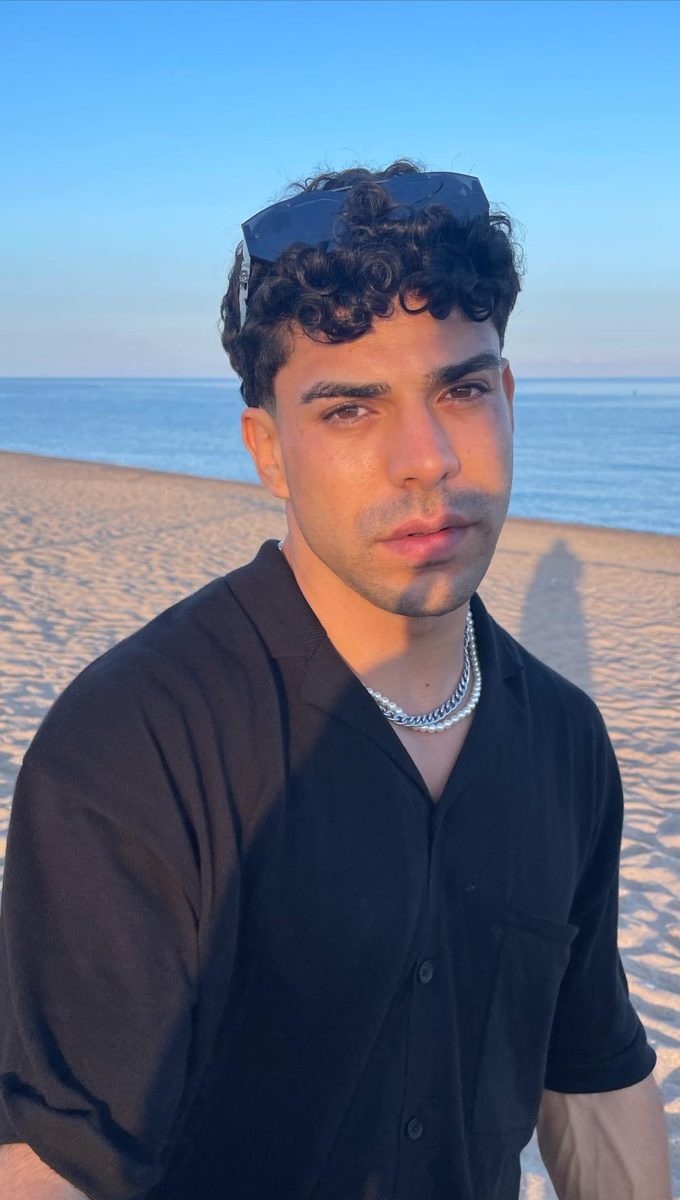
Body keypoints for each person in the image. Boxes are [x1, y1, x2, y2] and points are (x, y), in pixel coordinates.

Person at [0, 162, 671, 1200]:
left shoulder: (563, 739)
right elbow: (56, 1163)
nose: (426, 460)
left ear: (506, 398)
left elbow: (587, 1077)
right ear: (267, 450)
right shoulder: (135, 744)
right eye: (351, 410)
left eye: (460, 390)